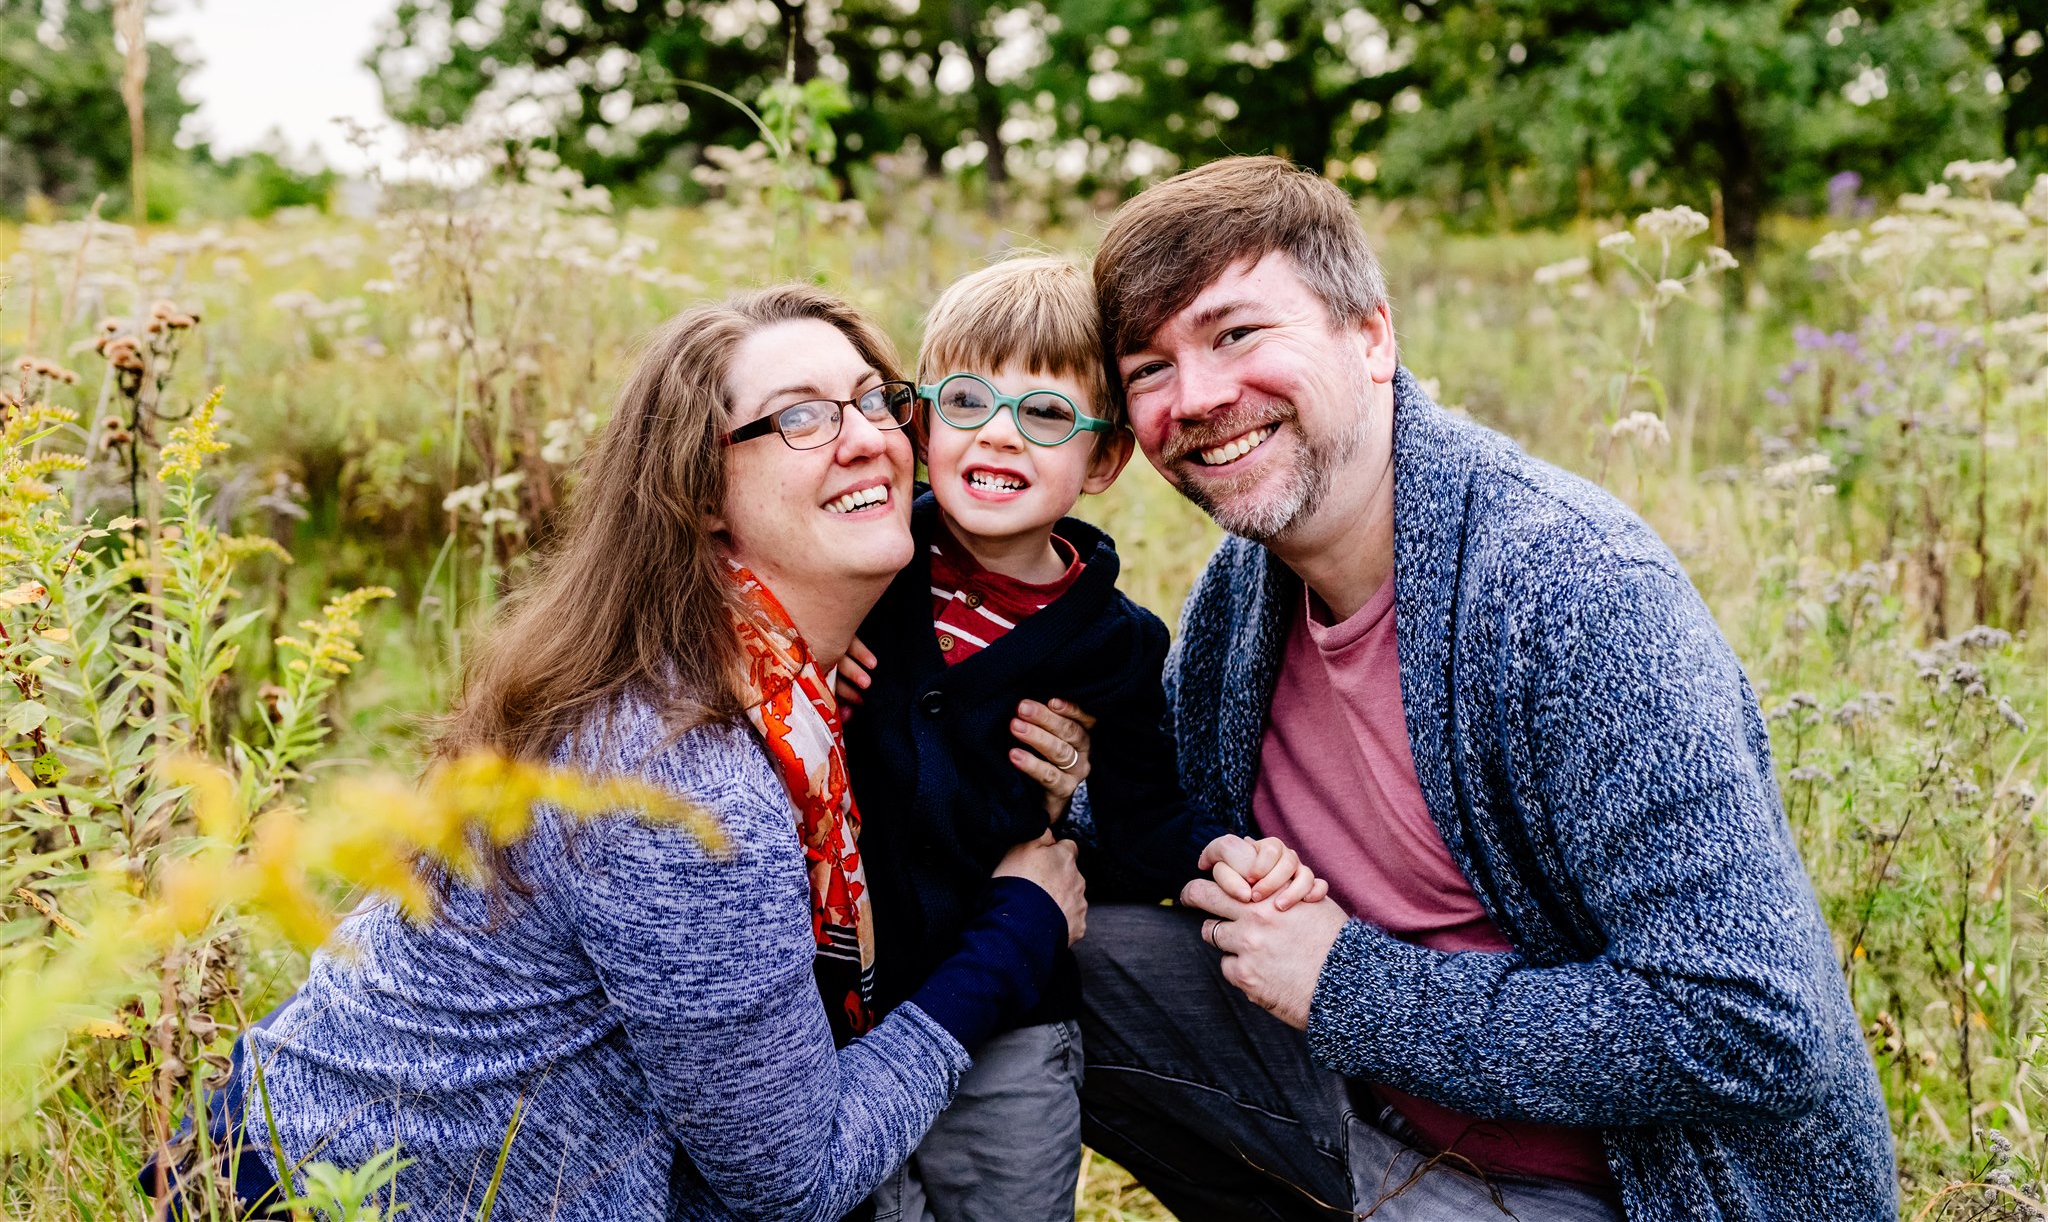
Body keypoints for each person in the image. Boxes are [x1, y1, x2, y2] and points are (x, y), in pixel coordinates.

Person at [1075, 156, 1896, 1220]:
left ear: (1370, 335)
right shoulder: (1245, 593)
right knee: (1038, 948)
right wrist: (1033, 775)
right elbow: (1157, 817)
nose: (1195, 398)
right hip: (1372, 1126)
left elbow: (1747, 1020)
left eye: (1236, 335)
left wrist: (1345, 988)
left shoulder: (1570, 592)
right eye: (1148, 368)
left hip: (1633, 1196)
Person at [207, 287, 1094, 1221]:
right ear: (703, 494)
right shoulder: (685, 777)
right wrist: (1018, 930)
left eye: (877, 398)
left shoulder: (775, 687)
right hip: (334, 1196)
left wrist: (1064, 774)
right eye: (800, 417)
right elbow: (794, 1181)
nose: (866, 435)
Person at [833, 256, 1325, 1222]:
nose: (1000, 434)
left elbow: (1142, 812)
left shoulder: (1115, 643)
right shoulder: (862, 567)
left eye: (1047, 414)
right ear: (923, 426)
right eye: (968, 399)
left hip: (1012, 1009)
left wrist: (1207, 857)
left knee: (1008, 1198)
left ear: (1102, 461)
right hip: (844, 1005)